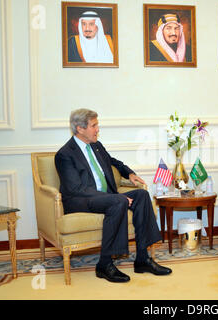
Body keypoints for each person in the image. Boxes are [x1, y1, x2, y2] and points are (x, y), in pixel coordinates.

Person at [55, 108, 172, 283]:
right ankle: (104, 264)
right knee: (118, 201)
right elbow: (76, 188)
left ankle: (142, 259)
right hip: (80, 200)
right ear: (80, 129)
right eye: (94, 125)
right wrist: (112, 198)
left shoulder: (95, 146)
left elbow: (113, 162)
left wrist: (129, 173)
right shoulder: (65, 154)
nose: (97, 129)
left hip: (104, 197)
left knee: (141, 195)